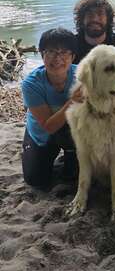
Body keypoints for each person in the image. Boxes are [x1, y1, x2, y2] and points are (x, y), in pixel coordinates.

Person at [21, 28, 82, 189]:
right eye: (51, 52)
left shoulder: (81, 76)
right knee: (36, 180)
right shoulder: (31, 84)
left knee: (73, 177)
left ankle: (70, 153)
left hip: (71, 130)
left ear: (73, 56)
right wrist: (73, 101)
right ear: (42, 55)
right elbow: (48, 126)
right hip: (43, 132)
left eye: (64, 53)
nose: (57, 58)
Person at [73, 0, 115, 64]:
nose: (95, 19)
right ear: (82, 19)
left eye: (100, 13)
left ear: (108, 19)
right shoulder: (71, 46)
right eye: (90, 14)